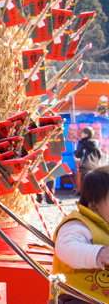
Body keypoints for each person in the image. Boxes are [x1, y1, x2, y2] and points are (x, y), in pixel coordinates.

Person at [51, 166, 109, 304]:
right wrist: (97, 253)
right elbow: (65, 247)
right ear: (95, 207)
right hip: (76, 296)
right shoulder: (80, 225)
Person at [74, 127, 102, 192]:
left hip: (85, 165)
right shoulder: (95, 143)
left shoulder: (83, 142)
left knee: (85, 184)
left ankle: (85, 201)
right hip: (94, 165)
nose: (81, 135)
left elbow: (78, 154)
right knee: (93, 183)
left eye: (82, 133)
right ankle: (94, 200)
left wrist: (75, 152)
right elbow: (99, 154)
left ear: (86, 134)